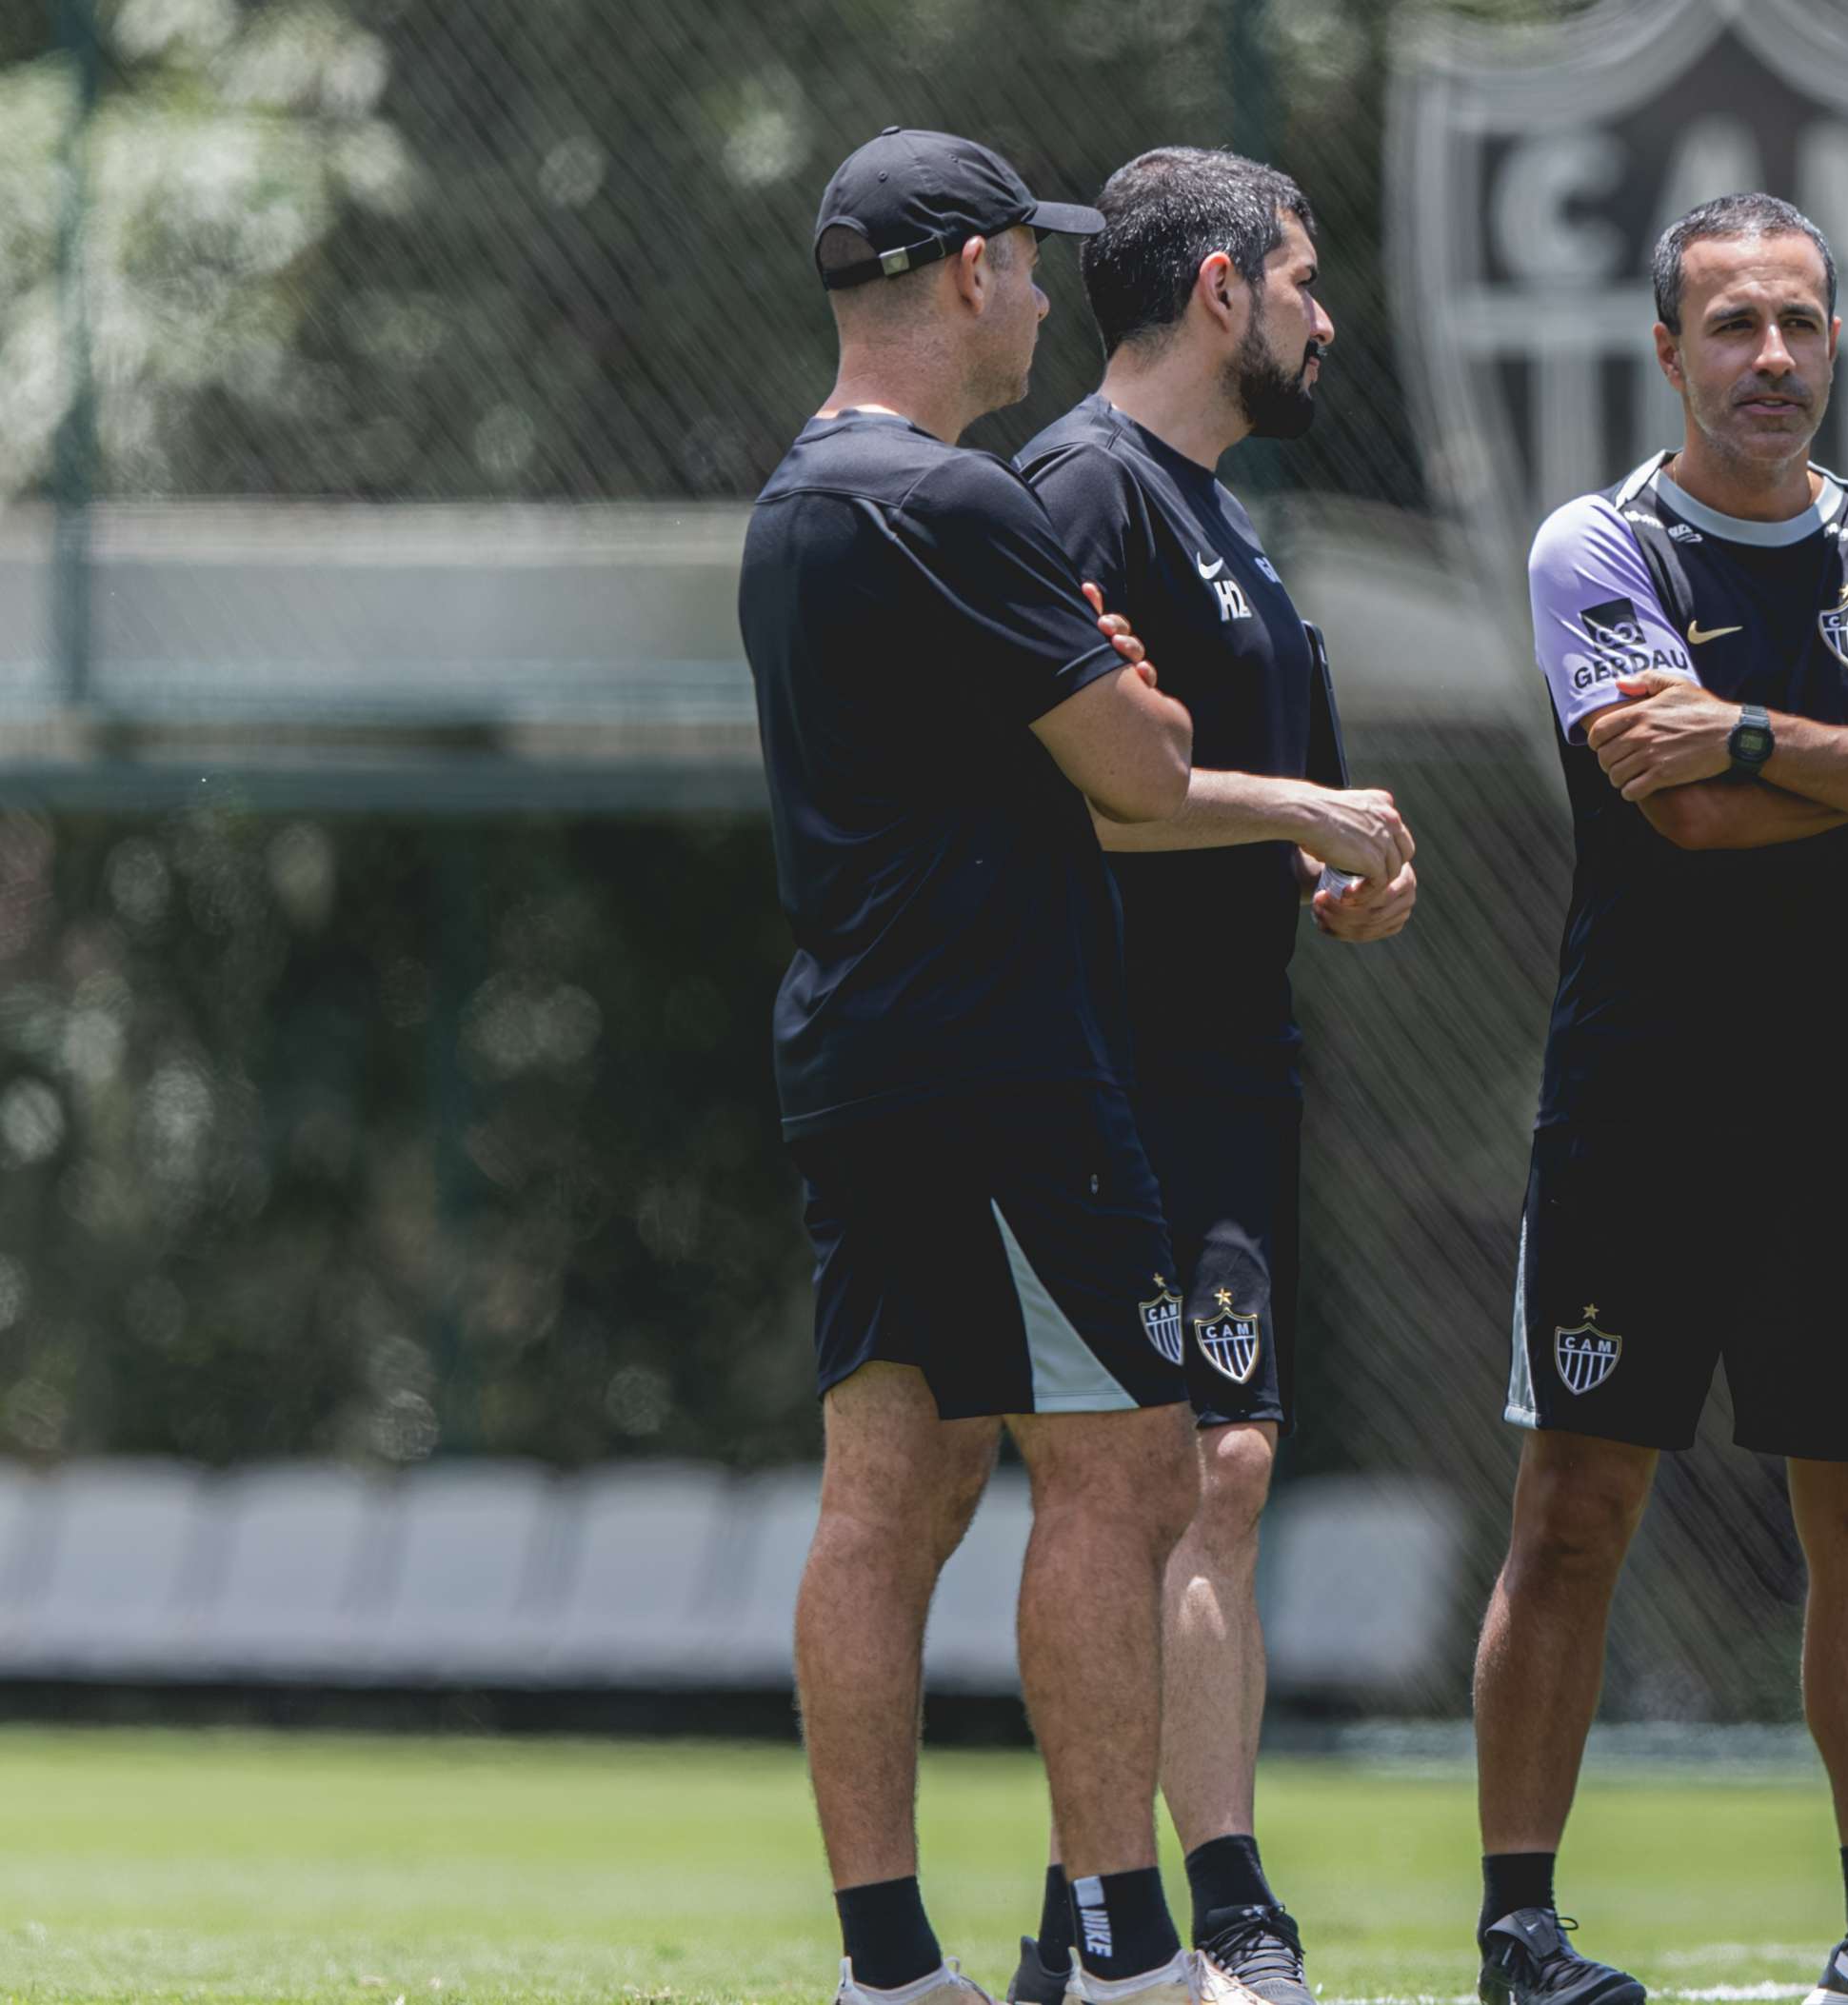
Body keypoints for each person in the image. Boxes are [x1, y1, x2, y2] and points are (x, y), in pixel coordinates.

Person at [1463, 192, 1848, 2005]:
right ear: (1667, 350)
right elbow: (1675, 818)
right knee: (1572, 1513)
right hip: (1637, 1108)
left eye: (1800, 325)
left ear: (1837, 343)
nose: (1771, 361)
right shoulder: (1595, 544)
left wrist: (1762, 735)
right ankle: (1522, 1929)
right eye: (1734, 328)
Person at [742, 128, 1218, 2005]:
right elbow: (1145, 776)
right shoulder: (955, 501)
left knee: (892, 1493)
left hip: (858, 1054)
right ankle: (1126, 1957)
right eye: (1029, 266)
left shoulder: (800, 497)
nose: (1041, 297)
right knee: (1127, 1474)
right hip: (1003, 1061)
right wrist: (1164, 711)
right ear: (966, 272)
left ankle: (888, 1972)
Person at [998, 146, 1416, 2005]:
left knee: (1224, 1470)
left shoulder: (1237, 518)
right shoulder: (1084, 490)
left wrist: (1343, 867)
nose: (1329, 315)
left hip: (1235, 1062)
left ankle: (1162, 1918)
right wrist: (1298, 813)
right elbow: (1071, 800)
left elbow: (1241, 804)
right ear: (1224, 290)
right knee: (1155, 1479)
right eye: (1307, 277)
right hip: (1109, 1067)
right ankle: (1162, 1923)